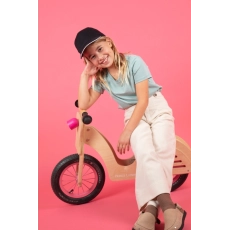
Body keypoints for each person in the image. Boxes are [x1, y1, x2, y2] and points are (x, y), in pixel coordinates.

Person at [74, 27, 187, 230]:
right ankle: (168, 207)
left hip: (155, 107)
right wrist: (85, 75)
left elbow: (142, 100)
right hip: (132, 114)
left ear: (109, 42)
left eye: (100, 49)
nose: (99, 57)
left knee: (162, 150)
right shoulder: (102, 78)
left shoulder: (134, 62)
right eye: (92, 56)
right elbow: (84, 102)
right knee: (144, 152)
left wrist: (127, 132)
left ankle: (149, 209)